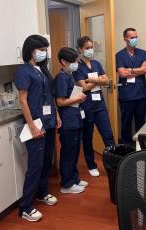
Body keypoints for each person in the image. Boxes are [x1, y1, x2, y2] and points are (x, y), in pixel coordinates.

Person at [15, 35, 61, 222]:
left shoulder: (42, 70)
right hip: (36, 124)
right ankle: (25, 207)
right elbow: (22, 100)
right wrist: (32, 126)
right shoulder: (24, 71)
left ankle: (42, 193)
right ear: (31, 50)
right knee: (35, 165)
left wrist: (56, 115)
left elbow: (49, 96)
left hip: (48, 122)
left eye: (45, 49)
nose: (44, 52)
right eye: (41, 49)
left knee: (46, 162)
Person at [73, 36, 115, 177]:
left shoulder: (96, 63)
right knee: (87, 137)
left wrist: (91, 80)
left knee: (108, 135)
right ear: (80, 49)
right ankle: (91, 165)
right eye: (87, 48)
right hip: (87, 106)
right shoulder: (77, 67)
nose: (90, 50)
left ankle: (113, 163)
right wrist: (99, 81)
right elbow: (83, 88)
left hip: (100, 105)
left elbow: (107, 81)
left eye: (91, 47)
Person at [54, 47, 88, 194]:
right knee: (68, 152)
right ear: (63, 61)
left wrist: (79, 97)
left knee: (75, 151)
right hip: (68, 120)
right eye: (73, 61)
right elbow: (60, 101)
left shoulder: (70, 75)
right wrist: (77, 98)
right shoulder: (61, 77)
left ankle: (74, 178)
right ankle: (66, 184)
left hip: (75, 118)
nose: (76, 63)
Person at [116, 28, 146, 145]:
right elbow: (122, 73)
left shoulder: (142, 53)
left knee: (140, 122)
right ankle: (126, 147)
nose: (135, 39)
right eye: (132, 37)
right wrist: (139, 70)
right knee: (126, 122)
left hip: (141, 94)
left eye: (136, 37)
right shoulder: (120, 55)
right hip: (126, 95)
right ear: (125, 39)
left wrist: (130, 70)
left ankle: (139, 146)